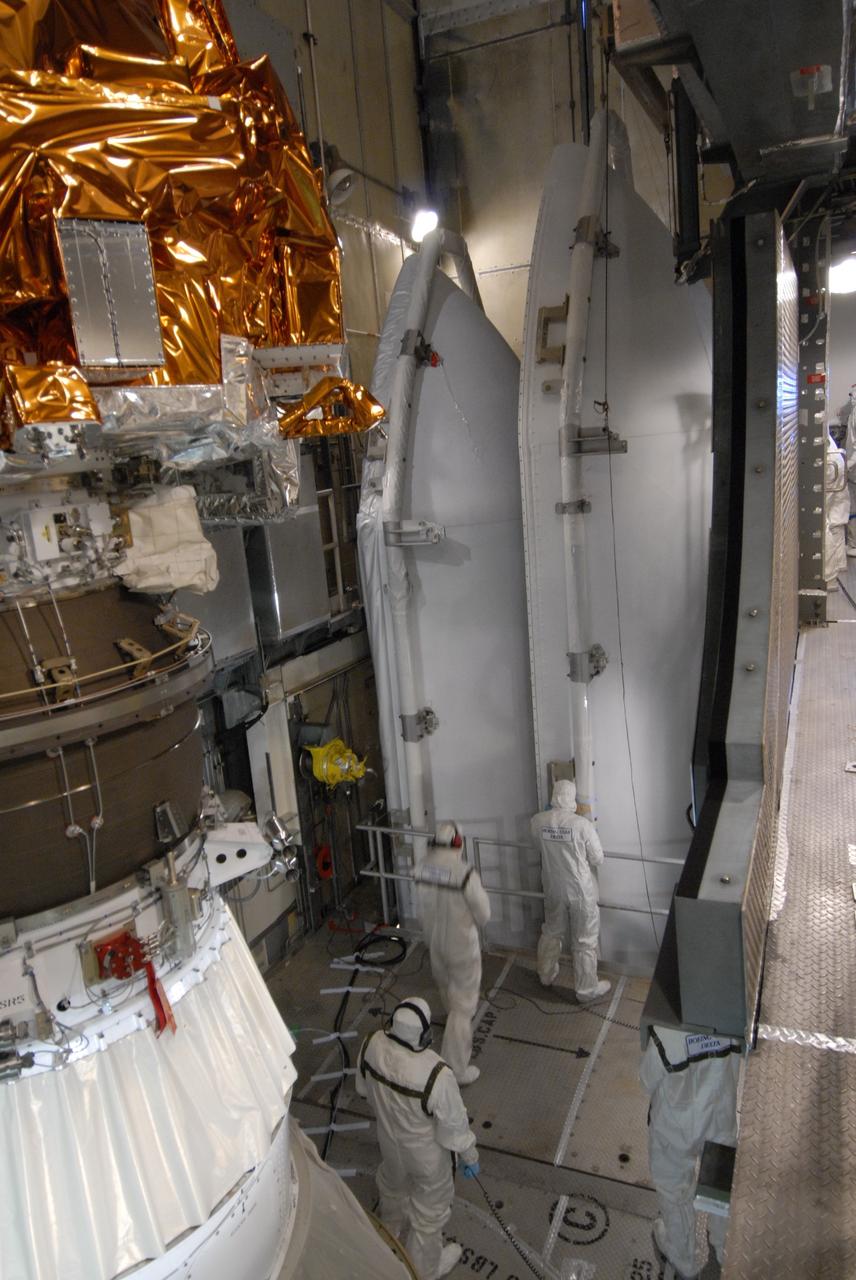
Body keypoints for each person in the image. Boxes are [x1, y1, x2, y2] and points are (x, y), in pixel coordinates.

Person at [355, 997, 480, 1280]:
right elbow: (454, 1127)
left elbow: (363, 1089)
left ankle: (389, 1238)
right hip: (427, 1160)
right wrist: (470, 1156)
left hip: (389, 1145)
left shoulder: (371, 1044)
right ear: (423, 1035)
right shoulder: (436, 1072)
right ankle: (424, 1271)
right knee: (428, 1217)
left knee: (391, 1186)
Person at [640, 1023, 742, 1279]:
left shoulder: (667, 1031)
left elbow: (646, 1080)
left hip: (676, 1129)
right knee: (720, 1189)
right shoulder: (735, 1018)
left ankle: (684, 1257)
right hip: (720, 1121)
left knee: (674, 1189)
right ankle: (724, 1247)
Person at [418, 820, 490, 1085]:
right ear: (458, 844)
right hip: (461, 949)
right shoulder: (465, 874)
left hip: (435, 945)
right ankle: (455, 1069)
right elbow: (484, 915)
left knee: (448, 993)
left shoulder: (423, 869)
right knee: (463, 1008)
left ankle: (452, 1029)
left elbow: (423, 910)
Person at [530, 778, 610, 1002]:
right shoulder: (582, 825)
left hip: (553, 887)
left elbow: (537, 845)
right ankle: (585, 989)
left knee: (552, 930)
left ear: (554, 795)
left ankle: (545, 974)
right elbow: (598, 858)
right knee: (584, 939)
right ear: (572, 798)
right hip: (580, 891)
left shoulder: (538, 821)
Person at [825, 429, 849, 588]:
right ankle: (839, 564)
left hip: (829, 464)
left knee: (823, 522)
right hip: (835, 460)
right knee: (836, 519)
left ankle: (828, 578)